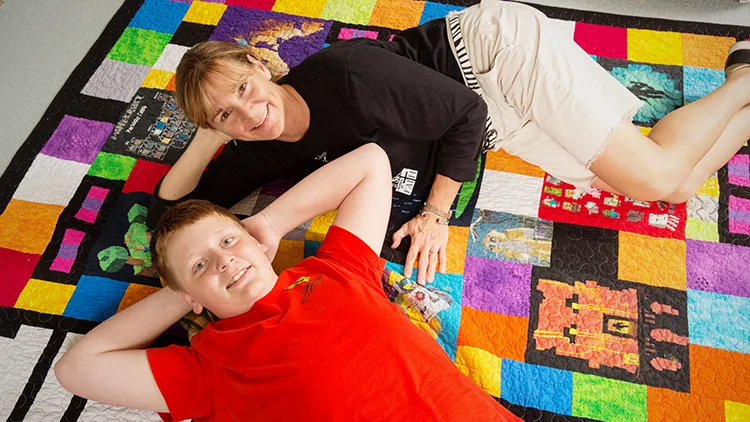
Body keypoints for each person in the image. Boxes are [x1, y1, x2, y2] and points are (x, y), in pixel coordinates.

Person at [151, 0, 750, 285]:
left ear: (263, 65)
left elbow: (464, 113)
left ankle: (743, 79)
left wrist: (437, 212)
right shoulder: (263, 145)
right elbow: (170, 208)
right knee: (675, 184)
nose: (249, 115)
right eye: (226, 117)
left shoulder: (347, 76)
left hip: (489, 55)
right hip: (485, 113)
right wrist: (203, 139)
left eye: (246, 91)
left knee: (655, 179)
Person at [55, 144, 520, 422]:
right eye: (200, 265)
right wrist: (182, 293)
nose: (223, 261)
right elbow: (76, 370)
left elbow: (372, 162)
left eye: (227, 240)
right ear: (189, 298)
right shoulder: (212, 367)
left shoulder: (335, 268)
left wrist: (270, 225)